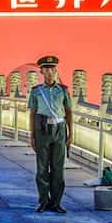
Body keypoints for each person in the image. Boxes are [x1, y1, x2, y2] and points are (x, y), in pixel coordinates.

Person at [28, 55, 73, 213]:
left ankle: (56, 202)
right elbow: (32, 114)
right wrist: (32, 135)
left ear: (56, 71)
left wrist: (70, 134)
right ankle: (43, 201)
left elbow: (68, 112)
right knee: (42, 168)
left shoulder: (63, 90)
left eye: (52, 69)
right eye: (46, 69)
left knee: (58, 169)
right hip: (42, 129)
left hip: (59, 129)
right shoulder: (36, 92)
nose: (49, 72)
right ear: (41, 71)